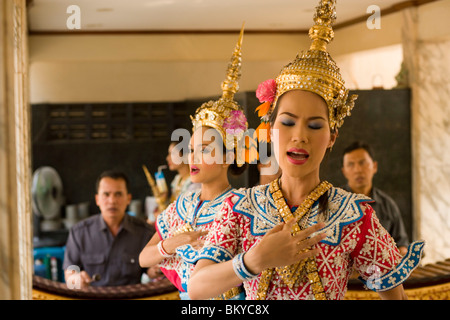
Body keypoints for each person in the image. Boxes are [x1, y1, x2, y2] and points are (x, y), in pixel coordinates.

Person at [188, 0, 424, 300]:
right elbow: (196, 289)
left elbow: (396, 298)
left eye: (314, 126)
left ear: (332, 137)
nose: (299, 137)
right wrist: (253, 261)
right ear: (270, 128)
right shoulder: (240, 208)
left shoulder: (354, 215)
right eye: (287, 123)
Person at [139, 25, 249, 300]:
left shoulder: (242, 206)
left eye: (206, 149)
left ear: (228, 157)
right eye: (192, 149)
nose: (193, 158)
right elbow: (144, 258)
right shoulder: (182, 206)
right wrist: (171, 244)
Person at [63, 170, 155, 288]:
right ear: (97, 199)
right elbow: (70, 274)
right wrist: (76, 280)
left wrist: (156, 270)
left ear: (128, 198)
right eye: (106, 194)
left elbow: (150, 271)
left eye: (118, 194)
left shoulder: (145, 232)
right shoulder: (79, 233)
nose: (112, 201)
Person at [341, 141, 409, 255]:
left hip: (383, 271)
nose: (358, 170)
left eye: (362, 163)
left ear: (374, 166)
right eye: (351, 164)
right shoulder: (334, 203)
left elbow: (402, 244)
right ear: (344, 172)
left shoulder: (388, 205)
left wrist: (401, 256)